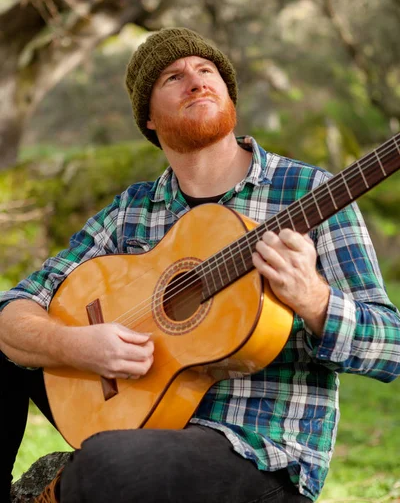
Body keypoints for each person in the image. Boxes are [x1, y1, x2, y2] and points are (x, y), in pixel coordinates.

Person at [0, 27, 399, 503]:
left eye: (207, 70)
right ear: (149, 119)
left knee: (109, 467)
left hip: (256, 456)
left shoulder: (311, 194)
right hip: (136, 415)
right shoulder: (135, 208)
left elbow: (392, 346)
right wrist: (74, 344)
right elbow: (18, 305)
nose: (196, 81)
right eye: (173, 76)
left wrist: (315, 301)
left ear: (229, 94)